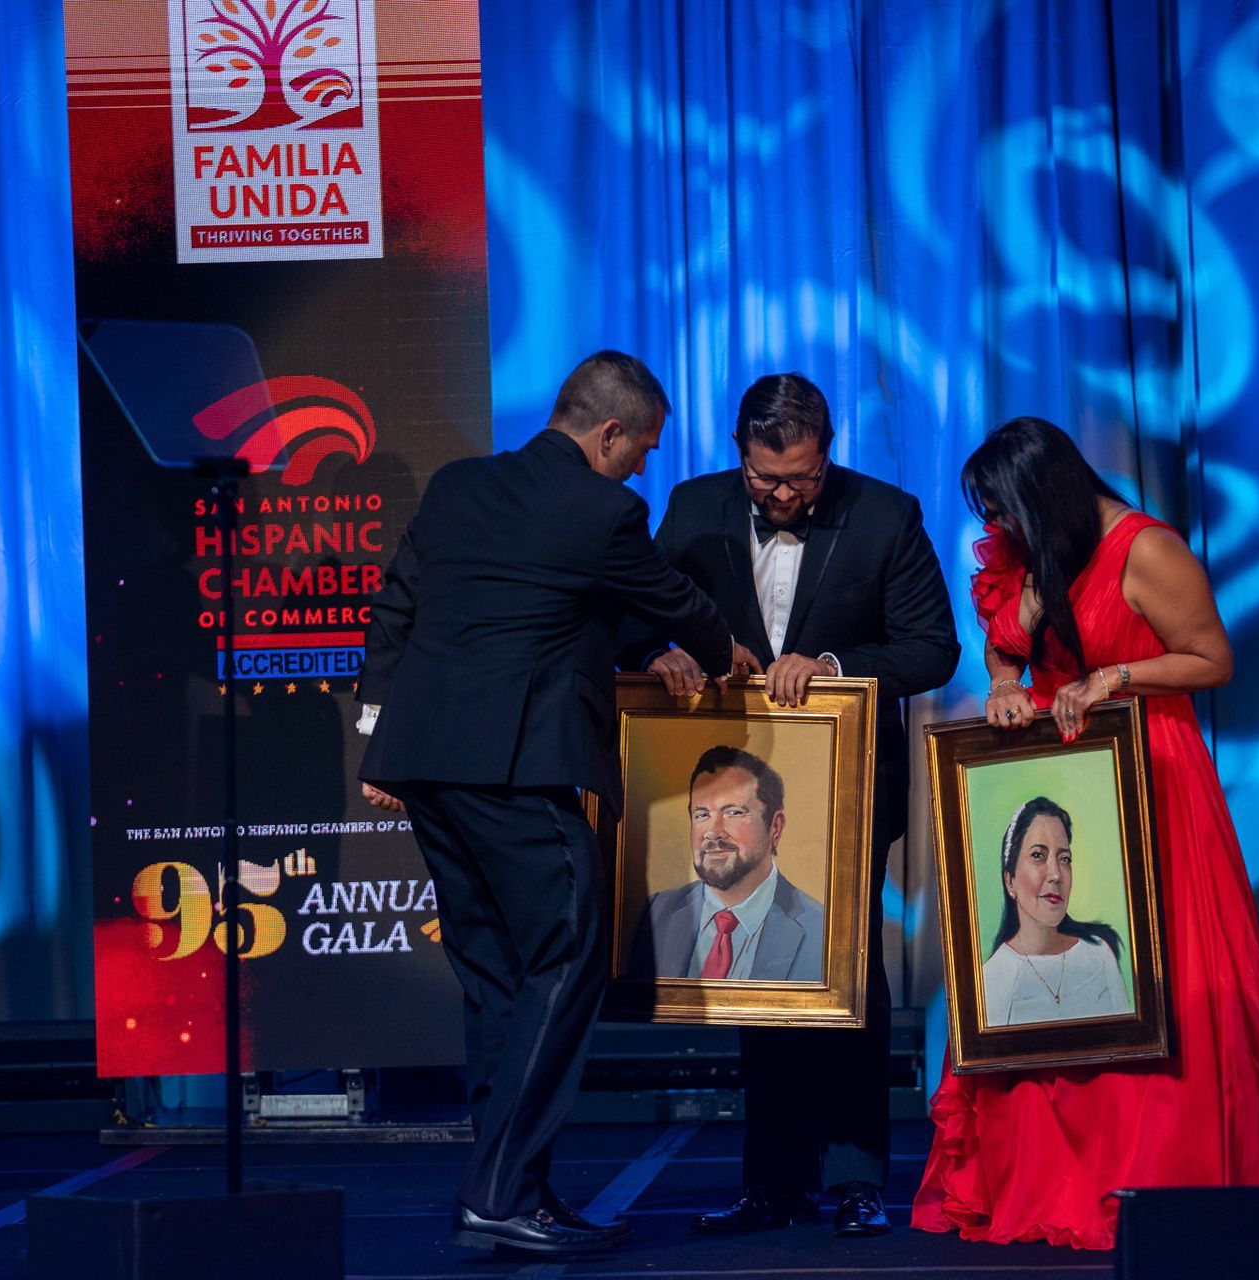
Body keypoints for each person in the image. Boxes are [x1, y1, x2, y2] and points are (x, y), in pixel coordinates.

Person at [356, 351, 733, 1259]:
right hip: (516, 769)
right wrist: (724, 649)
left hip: (427, 764)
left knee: (499, 980)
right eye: (641, 449)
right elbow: (673, 600)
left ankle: (515, 1189)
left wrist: (378, 726)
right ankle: (496, 1192)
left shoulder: (459, 486)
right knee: (567, 954)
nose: (642, 467)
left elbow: (399, 602)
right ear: (609, 433)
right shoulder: (603, 511)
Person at [912, 417, 1259, 1250]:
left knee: (1155, 978)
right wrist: (1005, 685)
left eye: (1005, 511)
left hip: (1150, 773)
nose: (997, 528)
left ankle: (1157, 1179)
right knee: (1047, 984)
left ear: (1047, 494)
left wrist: (1114, 676)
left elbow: (1212, 658)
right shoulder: (1030, 553)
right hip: (1061, 776)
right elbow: (1007, 645)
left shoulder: (1146, 549)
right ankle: (1052, 1178)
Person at [631, 372, 961, 1238]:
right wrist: (664, 649)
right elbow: (633, 613)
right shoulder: (694, 508)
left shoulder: (886, 515)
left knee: (850, 977)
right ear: (738, 453)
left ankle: (856, 1181)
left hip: (848, 786)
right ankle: (774, 1186)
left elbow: (933, 648)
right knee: (760, 978)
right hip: (738, 782)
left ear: (829, 454)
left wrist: (834, 667)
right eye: (766, 478)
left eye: (803, 479)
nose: (783, 496)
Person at [629, 746, 825, 982]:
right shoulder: (654, 914)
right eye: (702, 815)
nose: (712, 832)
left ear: (775, 827)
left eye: (733, 812)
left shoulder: (822, 933)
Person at [980, 796, 1129, 1027]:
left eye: (1064, 859)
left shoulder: (1099, 956)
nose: (1056, 874)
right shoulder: (991, 980)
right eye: (1038, 855)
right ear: (1010, 880)